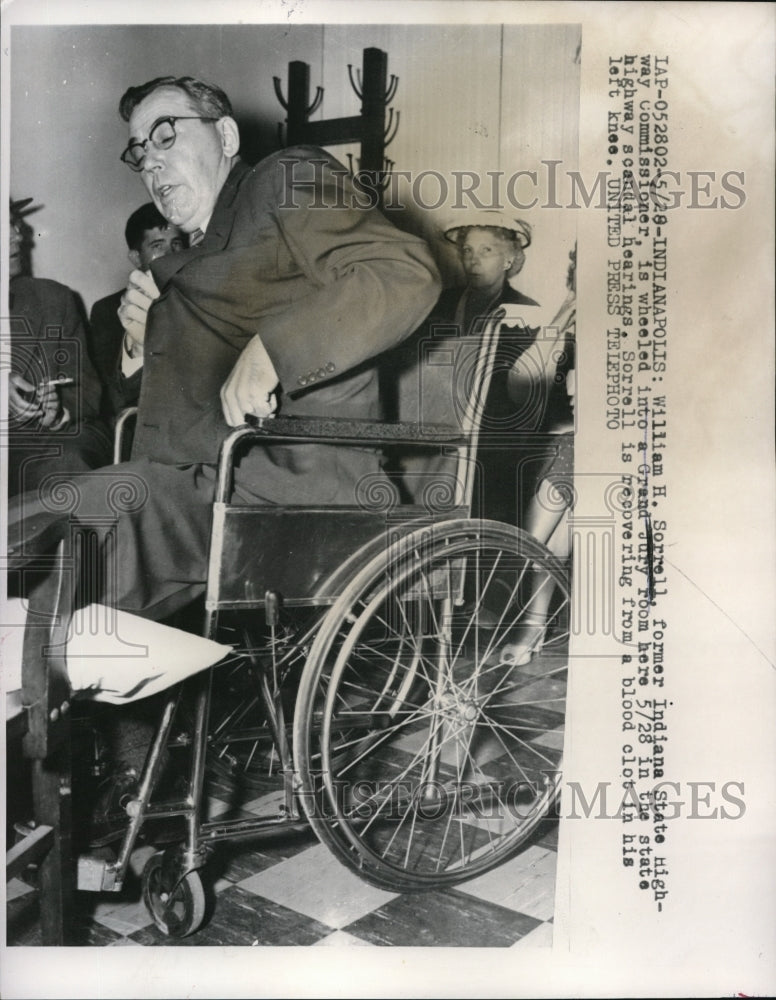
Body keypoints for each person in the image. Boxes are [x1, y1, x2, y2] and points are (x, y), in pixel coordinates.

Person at [9, 76, 441, 623]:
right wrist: (141, 346)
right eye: (139, 152)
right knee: (42, 542)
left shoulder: (283, 178)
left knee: (58, 548)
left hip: (279, 489)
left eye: (165, 136)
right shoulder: (199, 251)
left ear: (228, 136)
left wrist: (272, 352)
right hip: (194, 487)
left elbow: (402, 273)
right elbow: (168, 404)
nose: (150, 164)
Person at [6, 197, 113, 496]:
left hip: (55, 441)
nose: (17, 234)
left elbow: (86, 389)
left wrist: (60, 411)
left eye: (13, 222)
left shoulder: (54, 299)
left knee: (65, 464)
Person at [89, 203, 186, 428]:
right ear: (135, 257)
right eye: (158, 245)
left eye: (177, 243)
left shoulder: (201, 298)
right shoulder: (109, 311)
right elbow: (108, 399)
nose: (172, 254)